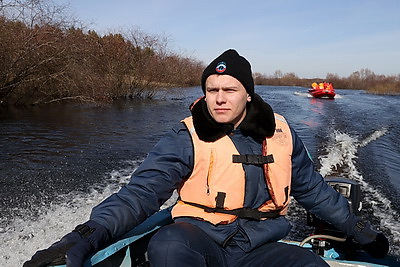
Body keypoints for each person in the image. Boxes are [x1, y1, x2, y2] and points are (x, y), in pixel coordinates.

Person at [24, 49, 389, 267]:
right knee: (165, 243)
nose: (218, 98)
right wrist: (81, 238)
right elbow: (138, 196)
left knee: (307, 263)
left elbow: (315, 191)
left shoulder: (281, 133)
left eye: (229, 89)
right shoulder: (186, 136)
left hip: (260, 246)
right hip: (197, 240)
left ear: (248, 94)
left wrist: (358, 231)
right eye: (211, 90)